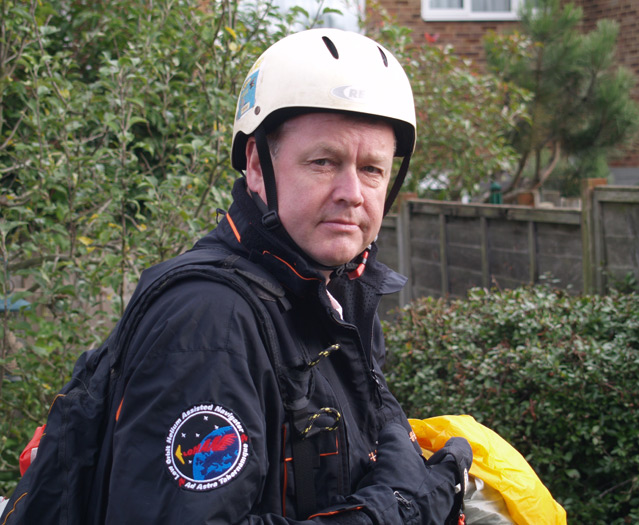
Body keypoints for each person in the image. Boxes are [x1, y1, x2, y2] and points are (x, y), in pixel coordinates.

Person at [17, 28, 473, 524]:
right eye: (324, 162)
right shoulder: (210, 325)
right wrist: (404, 508)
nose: (353, 193)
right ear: (257, 166)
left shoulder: (333, 291)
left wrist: (420, 475)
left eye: (372, 169)